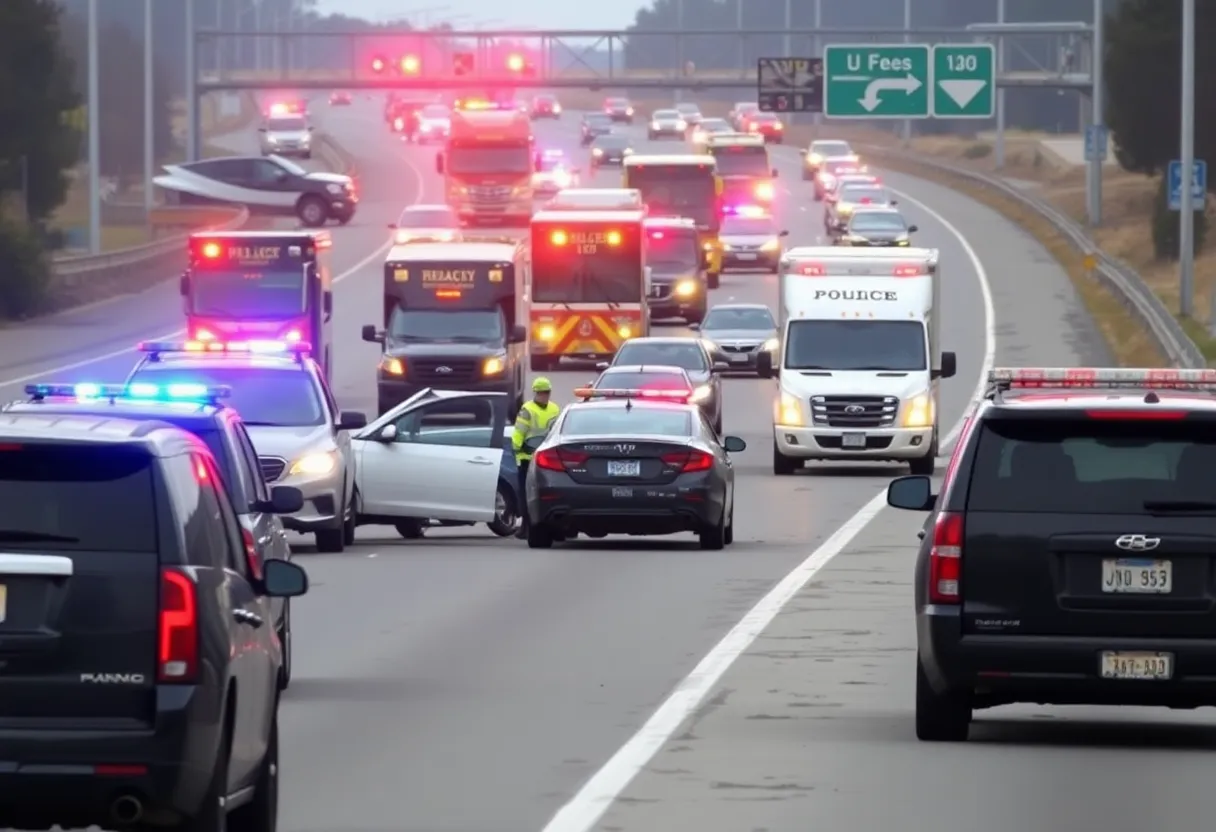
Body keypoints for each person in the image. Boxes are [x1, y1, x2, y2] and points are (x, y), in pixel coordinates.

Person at [512, 377, 561, 539]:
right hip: (526, 457)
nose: (544, 395)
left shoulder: (555, 409)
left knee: (540, 495)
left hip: (543, 458)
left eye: (546, 392)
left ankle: (547, 528)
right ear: (535, 393)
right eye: (541, 393)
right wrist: (517, 448)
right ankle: (526, 527)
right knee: (526, 496)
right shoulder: (528, 409)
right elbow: (519, 431)